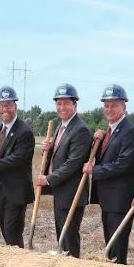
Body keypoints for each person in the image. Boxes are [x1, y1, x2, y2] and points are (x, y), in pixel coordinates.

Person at [84, 85, 134, 264]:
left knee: (118, 247)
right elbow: (104, 155)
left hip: (120, 199)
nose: (109, 109)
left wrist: (94, 170)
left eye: (114, 105)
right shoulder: (108, 131)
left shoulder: (130, 131)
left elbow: (123, 164)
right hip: (107, 198)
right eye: (106, 105)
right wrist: (96, 142)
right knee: (110, 244)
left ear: (124, 107)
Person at [36, 83, 93, 257]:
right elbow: (61, 154)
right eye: (59, 103)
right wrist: (49, 149)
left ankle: (73, 264)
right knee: (61, 232)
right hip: (61, 191)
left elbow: (72, 163)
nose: (62, 107)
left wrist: (48, 179)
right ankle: (64, 259)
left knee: (69, 235)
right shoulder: (62, 126)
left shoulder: (81, 129)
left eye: (66, 103)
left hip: (72, 192)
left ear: (75, 104)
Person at [0, 86, 35, 247]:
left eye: (8, 105)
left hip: (16, 189)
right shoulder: (0, 127)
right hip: (1, 186)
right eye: (1, 106)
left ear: (15, 106)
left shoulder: (24, 131)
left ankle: (18, 256)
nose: (5, 109)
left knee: (12, 230)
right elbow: (0, 152)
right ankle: (14, 253)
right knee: (3, 222)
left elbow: (16, 159)